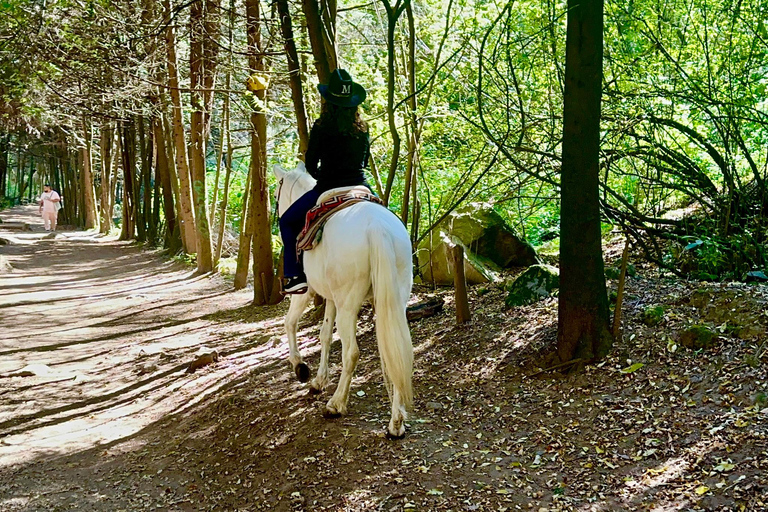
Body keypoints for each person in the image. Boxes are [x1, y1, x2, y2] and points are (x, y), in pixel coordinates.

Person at [279, 69, 371, 294]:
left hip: (328, 187)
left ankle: (295, 276)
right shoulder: (362, 128)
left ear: (329, 101)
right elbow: (364, 161)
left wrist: (324, 175)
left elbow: (310, 164)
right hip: (360, 186)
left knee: (287, 222)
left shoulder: (322, 126)